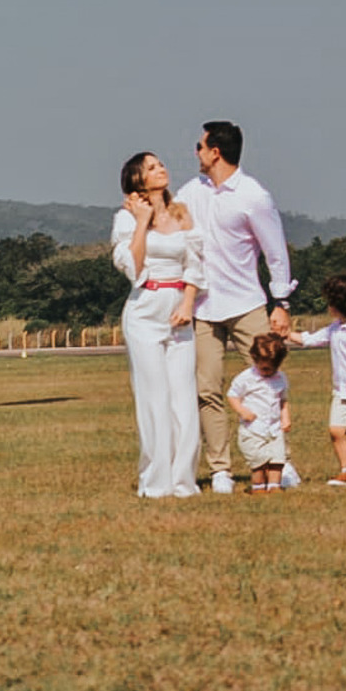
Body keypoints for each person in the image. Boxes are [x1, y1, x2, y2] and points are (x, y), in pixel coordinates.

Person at [177, 121, 297, 495]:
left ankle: (279, 461)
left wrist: (281, 303)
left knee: (268, 383)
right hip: (203, 307)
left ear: (215, 152)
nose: (195, 152)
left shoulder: (253, 195)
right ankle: (221, 469)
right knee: (207, 389)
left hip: (246, 303)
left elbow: (275, 251)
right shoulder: (190, 191)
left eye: (199, 146)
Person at [111, 151, 204, 498]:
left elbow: (195, 264)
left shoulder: (181, 214)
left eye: (160, 163)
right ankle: (155, 481)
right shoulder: (125, 219)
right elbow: (132, 269)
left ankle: (183, 481)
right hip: (144, 310)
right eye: (151, 167)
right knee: (154, 397)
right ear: (138, 179)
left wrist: (189, 303)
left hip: (179, 309)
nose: (160, 168)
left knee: (183, 397)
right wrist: (141, 220)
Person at [287, 273, 346, 486]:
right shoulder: (335, 327)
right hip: (342, 392)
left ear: (341, 304)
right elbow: (311, 339)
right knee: (336, 430)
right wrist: (286, 334)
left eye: (330, 302)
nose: (328, 306)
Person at [227, 334, 293, 494]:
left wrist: (285, 418)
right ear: (255, 359)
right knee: (258, 462)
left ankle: (274, 486)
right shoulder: (246, 378)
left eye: (273, 368)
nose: (268, 372)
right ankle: (258, 487)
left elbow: (283, 400)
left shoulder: (280, 378)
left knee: (278, 459)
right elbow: (232, 396)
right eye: (264, 368)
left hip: (274, 428)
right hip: (253, 428)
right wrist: (243, 411)